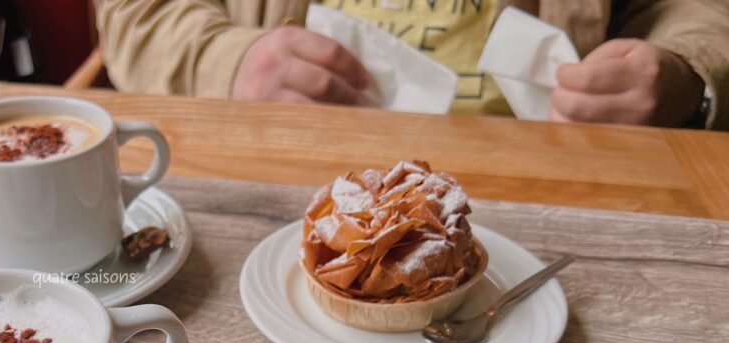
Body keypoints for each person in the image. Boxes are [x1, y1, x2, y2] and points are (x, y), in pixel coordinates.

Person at [96, 0, 727, 130]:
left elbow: (698, 12)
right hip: (291, 165)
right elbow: (131, 14)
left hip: (562, 172)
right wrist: (225, 60)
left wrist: (684, 75)